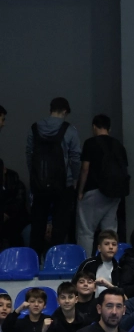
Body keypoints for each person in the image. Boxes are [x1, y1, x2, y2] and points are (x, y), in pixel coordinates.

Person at [27, 97, 83, 255]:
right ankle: (56, 260)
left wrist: (34, 176)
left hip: (39, 184)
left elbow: (29, 154)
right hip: (63, 184)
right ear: (65, 111)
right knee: (60, 226)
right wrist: (75, 179)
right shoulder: (69, 129)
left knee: (37, 225)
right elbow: (75, 157)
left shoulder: (34, 128)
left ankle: (34, 260)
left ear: (50, 109)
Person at [76, 114, 128, 253]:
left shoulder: (90, 143)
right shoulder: (119, 145)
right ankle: (110, 261)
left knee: (86, 231)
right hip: (115, 193)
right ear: (109, 128)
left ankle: (86, 262)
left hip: (94, 191)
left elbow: (85, 169)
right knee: (109, 232)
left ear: (94, 127)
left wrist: (80, 191)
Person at [1, 157, 30, 251]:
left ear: (4, 170)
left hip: (19, 221)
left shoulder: (16, 183)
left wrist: (6, 214)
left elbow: (18, 204)